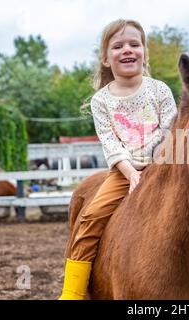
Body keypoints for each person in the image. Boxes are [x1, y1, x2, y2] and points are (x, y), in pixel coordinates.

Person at [59, 19, 178, 300]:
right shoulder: (101, 101)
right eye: (118, 45)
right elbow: (111, 143)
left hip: (166, 165)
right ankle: (72, 292)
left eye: (134, 44)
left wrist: (151, 163)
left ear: (144, 53)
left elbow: (170, 131)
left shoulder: (159, 90)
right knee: (89, 219)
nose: (127, 49)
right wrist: (131, 172)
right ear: (105, 57)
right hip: (123, 171)